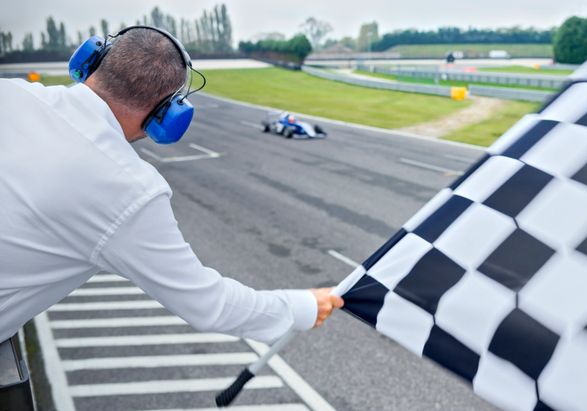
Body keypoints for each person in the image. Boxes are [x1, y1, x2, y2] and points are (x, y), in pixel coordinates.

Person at [0, 26, 344, 346]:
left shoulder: (10, 93)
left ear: (90, 60)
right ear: (168, 113)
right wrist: (304, 306)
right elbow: (210, 305)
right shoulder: (129, 190)